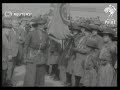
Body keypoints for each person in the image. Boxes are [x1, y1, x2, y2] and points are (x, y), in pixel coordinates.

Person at [24, 18, 49, 87]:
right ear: (37, 25)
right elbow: (26, 46)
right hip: (32, 56)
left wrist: (46, 58)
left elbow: (47, 47)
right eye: (40, 25)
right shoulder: (31, 33)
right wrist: (25, 57)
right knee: (30, 76)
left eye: (43, 24)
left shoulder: (46, 34)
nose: (42, 26)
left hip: (41, 58)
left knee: (40, 76)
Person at [6, 18, 20, 86]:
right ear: (12, 24)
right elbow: (8, 43)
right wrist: (9, 53)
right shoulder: (9, 32)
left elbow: (18, 41)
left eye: (17, 23)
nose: (16, 24)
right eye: (15, 23)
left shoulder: (16, 31)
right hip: (10, 53)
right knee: (10, 68)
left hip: (15, 52)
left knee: (13, 67)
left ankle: (9, 80)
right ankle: (8, 81)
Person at [2, 17, 12, 86]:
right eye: (8, 30)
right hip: (3, 59)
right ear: (4, 29)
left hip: (5, 59)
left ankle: (4, 82)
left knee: (4, 72)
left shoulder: (5, 36)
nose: (9, 32)